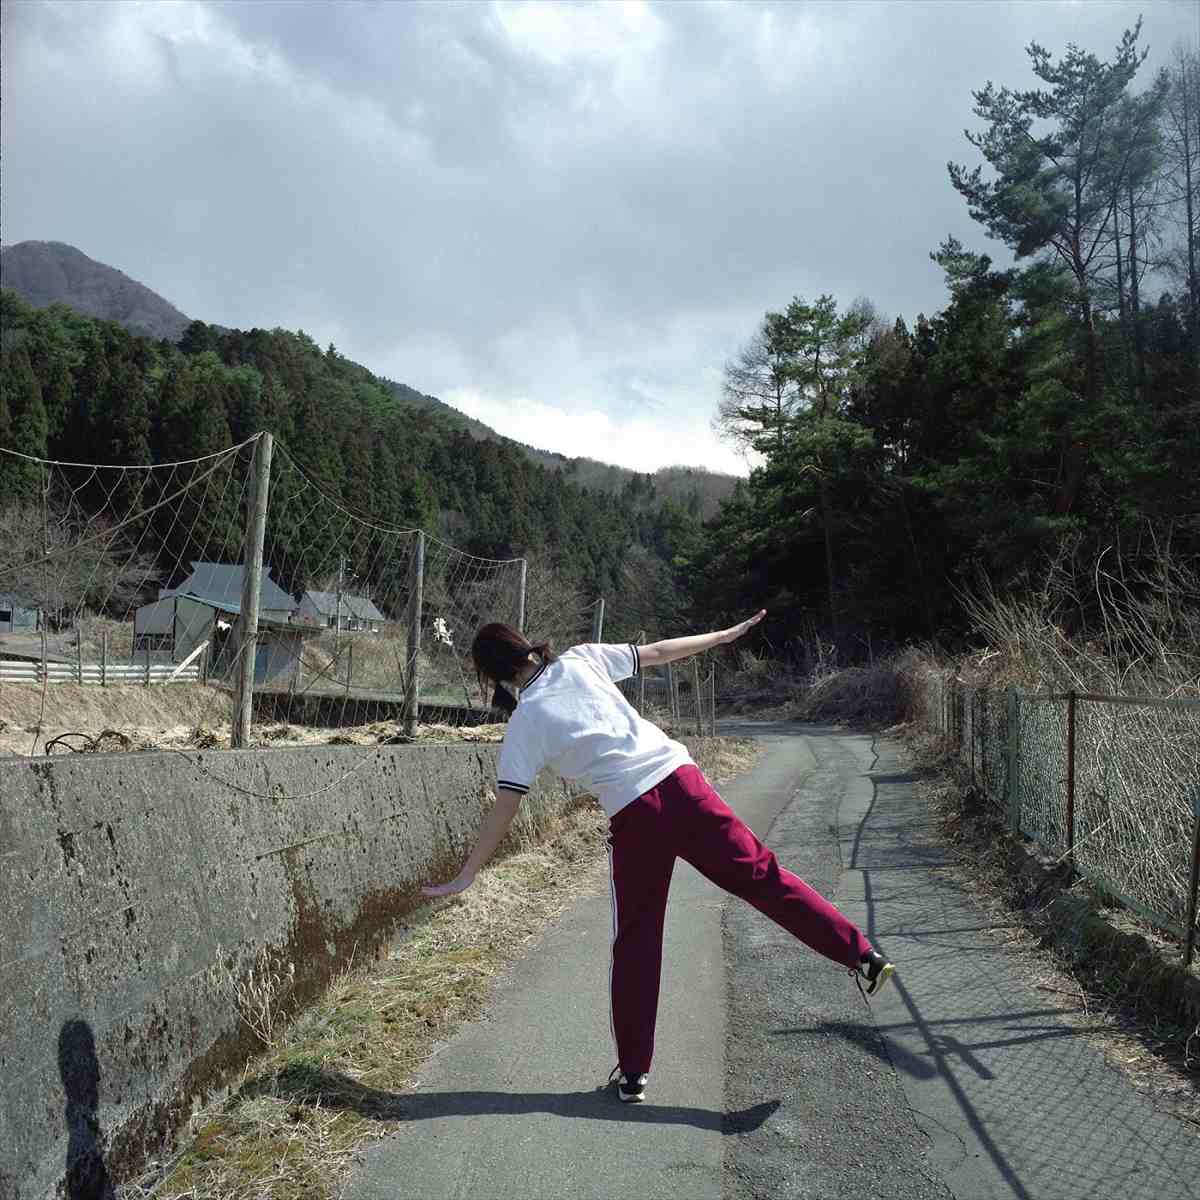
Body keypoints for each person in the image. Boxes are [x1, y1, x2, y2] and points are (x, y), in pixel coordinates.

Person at [422, 612, 894, 1104]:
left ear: (492, 676)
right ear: (523, 644)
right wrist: (722, 635)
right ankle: (861, 954)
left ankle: (633, 1074)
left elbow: (506, 805)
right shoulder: (583, 660)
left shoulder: (525, 723)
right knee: (763, 877)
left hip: (634, 815)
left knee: (637, 939)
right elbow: (662, 651)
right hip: (682, 784)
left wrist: (467, 874)